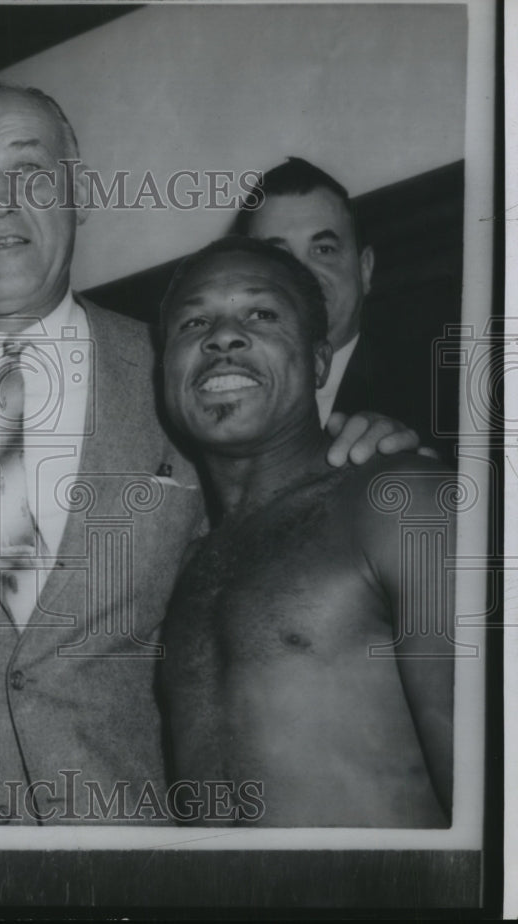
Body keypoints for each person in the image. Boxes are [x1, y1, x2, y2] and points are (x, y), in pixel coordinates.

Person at [0, 84, 420, 824]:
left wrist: (367, 445)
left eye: (30, 170)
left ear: (78, 193)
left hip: (128, 867)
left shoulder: (187, 371)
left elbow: (287, 508)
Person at [159, 236, 454, 827]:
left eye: (260, 314)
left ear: (320, 359)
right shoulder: (182, 564)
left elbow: (496, 812)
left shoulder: (403, 500)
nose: (221, 336)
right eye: (194, 322)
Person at [235, 157, 452, 457]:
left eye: (323, 250)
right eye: (277, 257)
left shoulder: (445, 392)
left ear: (364, 270)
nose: (303, 275)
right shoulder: (217, 396)